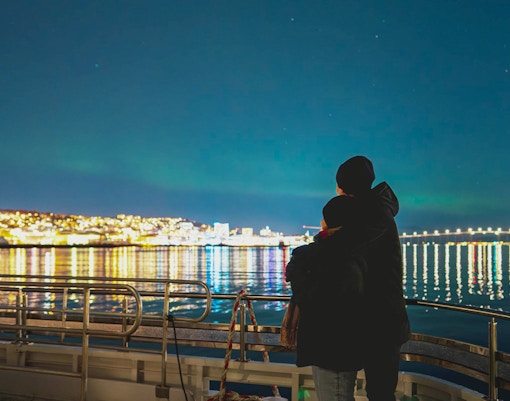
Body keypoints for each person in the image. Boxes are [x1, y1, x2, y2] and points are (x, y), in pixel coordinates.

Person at [286, 155, 411, 401]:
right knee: (380, 392)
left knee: (373, 392)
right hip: (382, 315)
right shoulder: (378, 212)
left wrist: (302, 255)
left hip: (375, 318)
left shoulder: (367, 216)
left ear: (342, 188)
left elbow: (337, 250)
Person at [284, 193, 369, 401]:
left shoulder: (327, 256)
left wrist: (300, 264)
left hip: (332, 348)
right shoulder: (356, 252)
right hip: (342, 345)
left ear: (328, 222)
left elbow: (311, 297)